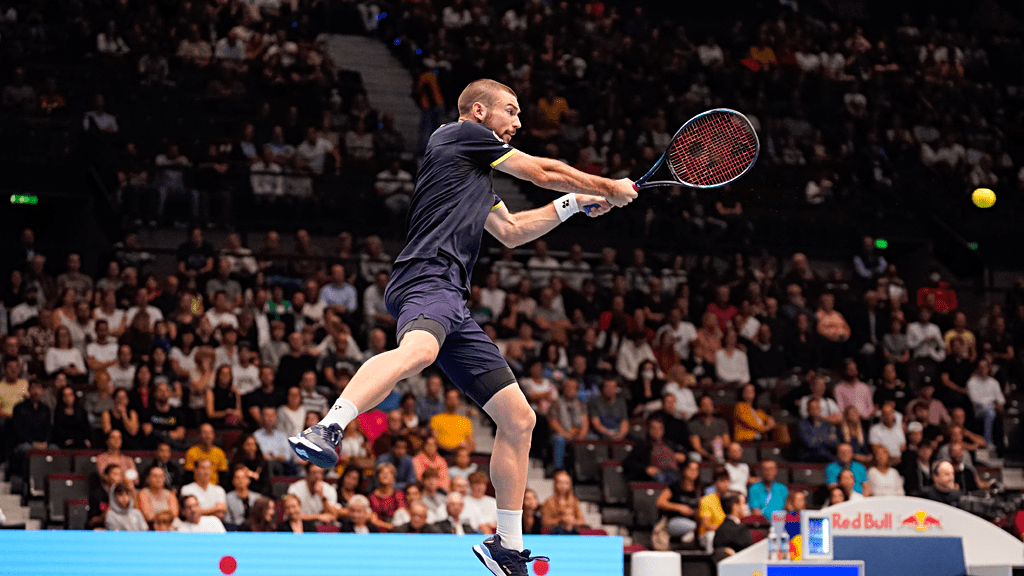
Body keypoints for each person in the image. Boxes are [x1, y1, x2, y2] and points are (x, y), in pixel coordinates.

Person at [289, 79, 633, 574]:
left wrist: (576, 205)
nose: (517, 123)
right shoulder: (455, 136)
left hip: (455, 302)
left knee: (520, 419)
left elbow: (513, 232)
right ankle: (329, 427)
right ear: (479, 111)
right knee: (420, 352)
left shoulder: (471, 176)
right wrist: (605, 186)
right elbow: (540, 170)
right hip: (426, 275)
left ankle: (506, 548)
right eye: (511, 112)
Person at [623, 417, 687, 484]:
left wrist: (683, 456)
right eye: (654, 428)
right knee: (663, 477)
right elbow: (628, 462)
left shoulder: (669, 444)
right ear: (649, 430)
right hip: (657, 473)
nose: (657, 431)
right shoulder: (643, 445)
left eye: (660, 428)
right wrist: (646, 469)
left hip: (674, 472)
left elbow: (684, 453)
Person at [966, 359, 1005, 449]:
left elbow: (1001, 400)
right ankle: (988, 442)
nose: (983, 369)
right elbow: (975, 400)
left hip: (992, 409)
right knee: (990, 412)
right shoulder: (972, 382)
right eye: (981, 367)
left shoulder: (994, 382)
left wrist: (999, 405)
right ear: (977, 369)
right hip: (977, 411)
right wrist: (992, 405)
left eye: (985, 367)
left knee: (993, 413)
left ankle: (1002, 444)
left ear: (988, 368)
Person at [430, 388, 475, 454]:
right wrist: (455, 448)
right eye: (450, 398)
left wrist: (463, 453)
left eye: (455, 398)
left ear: (458, 401)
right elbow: (436, 441)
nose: (452, 401)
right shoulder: (436, 419)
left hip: (461, 457)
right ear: (445, 400)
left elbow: (472, 445)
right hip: (442, 455)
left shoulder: (465, 421)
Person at [690, 395, 730, 462]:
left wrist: (718, 442)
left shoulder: (721, 422)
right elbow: (697, 447)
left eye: (710, 404)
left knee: (718, 441)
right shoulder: (694, 424)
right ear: (699, 407)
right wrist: (709, 456)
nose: (708, 407)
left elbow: (727, 442)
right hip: (704, 454)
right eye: (704, 405)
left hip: (719, 451)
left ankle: (719, 461)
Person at [797, 397, 839, 462]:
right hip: (809, 455)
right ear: (808, 410)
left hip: (827, 454)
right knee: (823, 453)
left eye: (817, 407)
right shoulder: (803, 425)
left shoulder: (827, 425)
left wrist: (818, 439)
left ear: (820, 409)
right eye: (812, 408)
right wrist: (826, 438)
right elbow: (810, 444)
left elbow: (835, 442)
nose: (815, 410)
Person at [698, 470, 731, 545]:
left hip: (727, 533)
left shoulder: (732, 500)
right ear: (715, 483)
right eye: (722, 481)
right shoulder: (706, 500)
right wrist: (723, 531)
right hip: (708, 534)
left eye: (727, 481)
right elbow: (707, 524)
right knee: (711, 535)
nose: (726, 484)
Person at [224, 464, 261, 530]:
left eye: (244, 477)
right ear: (233, 481)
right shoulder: (228, 498)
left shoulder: (257, 497)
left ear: (249, 480)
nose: (241, 480)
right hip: (236, 531)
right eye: (237, 478)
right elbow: (227, 521)